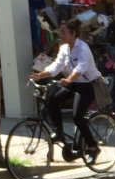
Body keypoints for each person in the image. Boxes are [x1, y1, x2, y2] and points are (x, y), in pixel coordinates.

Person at [29, 18, 101, 161]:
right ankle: (59, 133)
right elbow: (56, 66)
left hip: (88, 85)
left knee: (77, 117)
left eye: (63, 32)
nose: (61, 35)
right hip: (73, 83)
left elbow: (81, 68)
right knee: (52, 100)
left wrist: (68, 79)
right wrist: (40, 75)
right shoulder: (64, 48)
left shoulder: (82, 48)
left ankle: (93, 147)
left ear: (73, 33)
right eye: (60, 32)